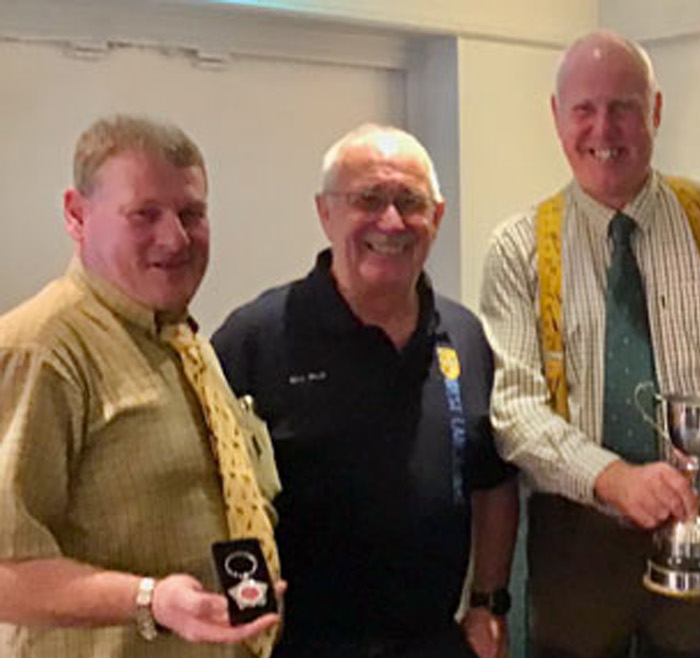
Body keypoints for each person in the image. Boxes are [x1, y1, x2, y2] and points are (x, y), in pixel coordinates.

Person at [479, 29, 700, 658]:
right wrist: (613, 478)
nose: (603, 129)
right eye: (584, 110)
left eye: (623, 106)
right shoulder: (517, 248)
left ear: (656, 111)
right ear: (556, 118)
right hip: (575, 542)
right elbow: (515, 412)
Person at [212, 124, 519, 658]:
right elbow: (215, 498)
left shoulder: (466, 335)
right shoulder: (255, 339)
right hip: (302, 646)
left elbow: (492, 484)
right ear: (324, 212)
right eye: (368, 200)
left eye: (410, 202)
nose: (392, 221)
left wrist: (488, 602)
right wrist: (247, 619)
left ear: (438, 217)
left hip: (435, 642)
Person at [0, 115, 282, 657]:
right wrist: (149, 599)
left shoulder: (189, 347)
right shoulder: (42, 350)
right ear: (76, 215)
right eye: (144, 214)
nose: (174, 238)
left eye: (191, 214)